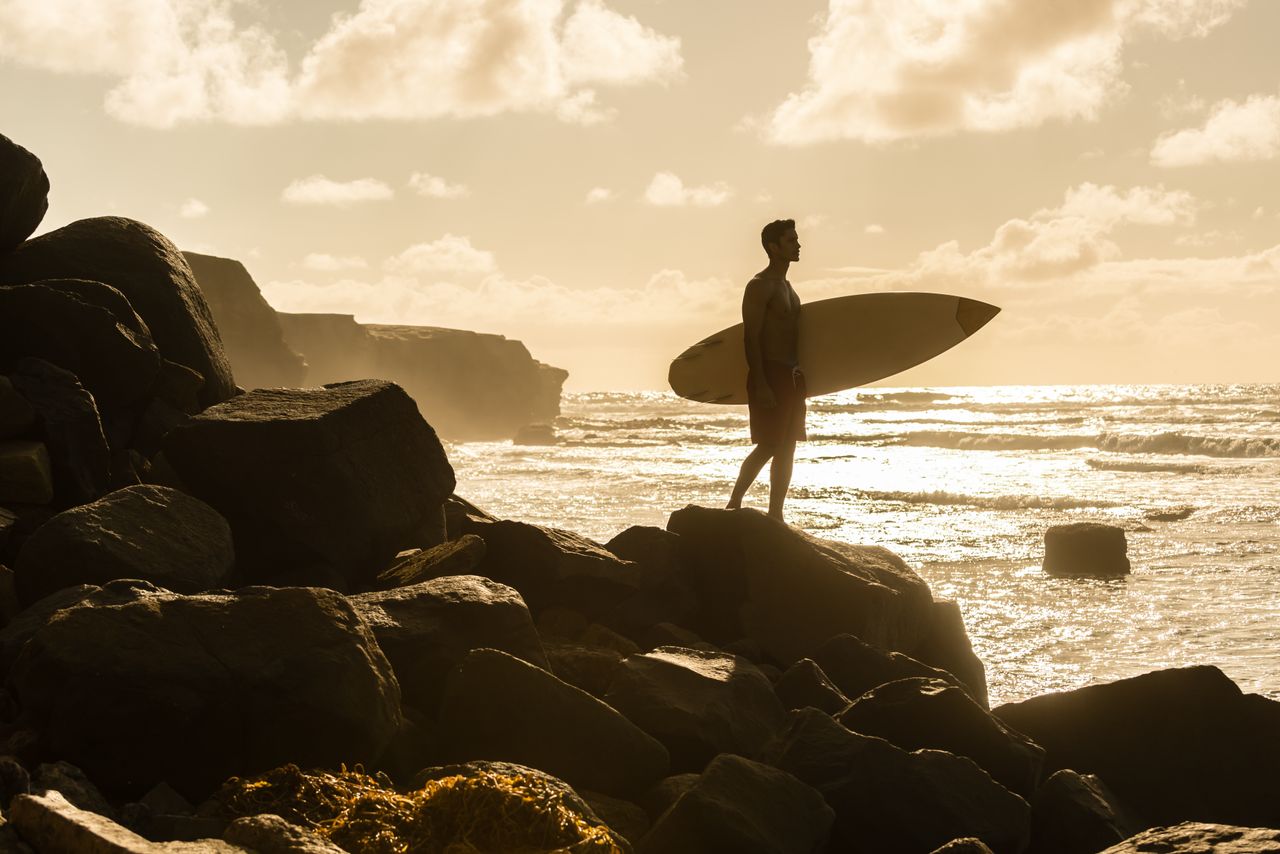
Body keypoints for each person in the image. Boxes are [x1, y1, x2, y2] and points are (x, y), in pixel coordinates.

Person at [726, 219, 805, 522]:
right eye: (790, 241)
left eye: (796, 239)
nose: (798, 245)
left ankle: (776, 515)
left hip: (793, 376)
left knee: (788, 447)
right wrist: (761, 382)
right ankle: (734, 502)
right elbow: (751, 336)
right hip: (770, 373)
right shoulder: (760, 286)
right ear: (773, 247)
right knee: (769, 444)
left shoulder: (788, 287)